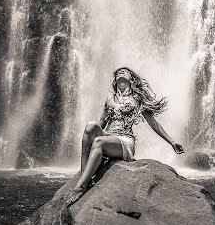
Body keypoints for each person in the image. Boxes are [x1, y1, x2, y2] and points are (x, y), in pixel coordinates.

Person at [65, 66, 184, 206]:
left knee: (98, 142)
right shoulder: (110, 99)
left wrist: (172, 142)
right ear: (115, 81)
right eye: (117, 73)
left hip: (125, 140)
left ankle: (80, 186)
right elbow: (101, 123)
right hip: (108, 135)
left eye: (124, 71)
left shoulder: (137, 98)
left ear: (131, 79)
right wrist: (88, 138)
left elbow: (153, 123)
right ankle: (84, 176)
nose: (120, 72)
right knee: (91, 126)